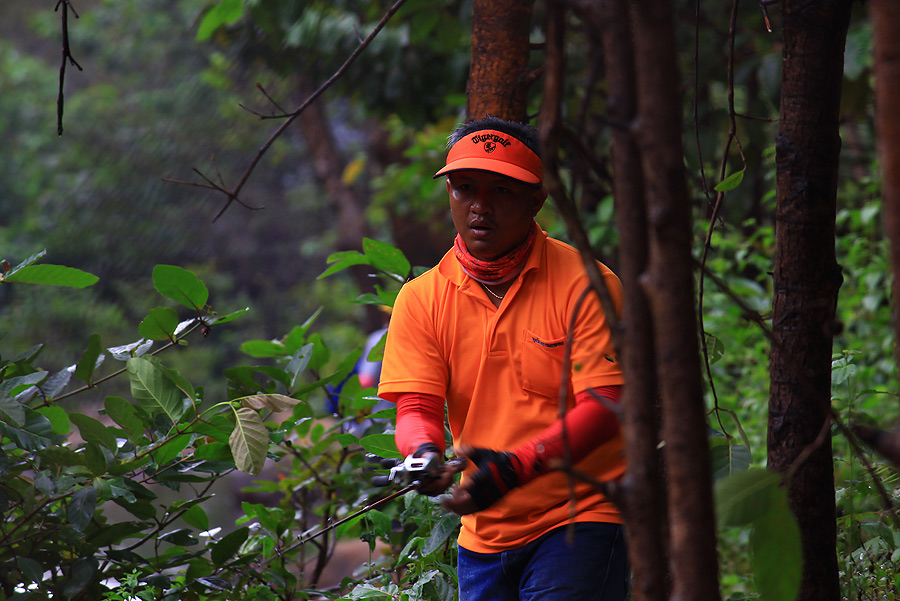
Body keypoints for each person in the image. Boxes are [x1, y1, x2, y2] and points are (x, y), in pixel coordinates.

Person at [377, 116, 628, 601]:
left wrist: (516, 467)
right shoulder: (421, 298)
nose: (479, 208)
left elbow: (605, 405)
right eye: (464, 188)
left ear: (536, 199)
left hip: (582, 515)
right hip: (484, 534)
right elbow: (416, 410)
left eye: (501, 191)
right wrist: (423, 454)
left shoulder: (586, 283)